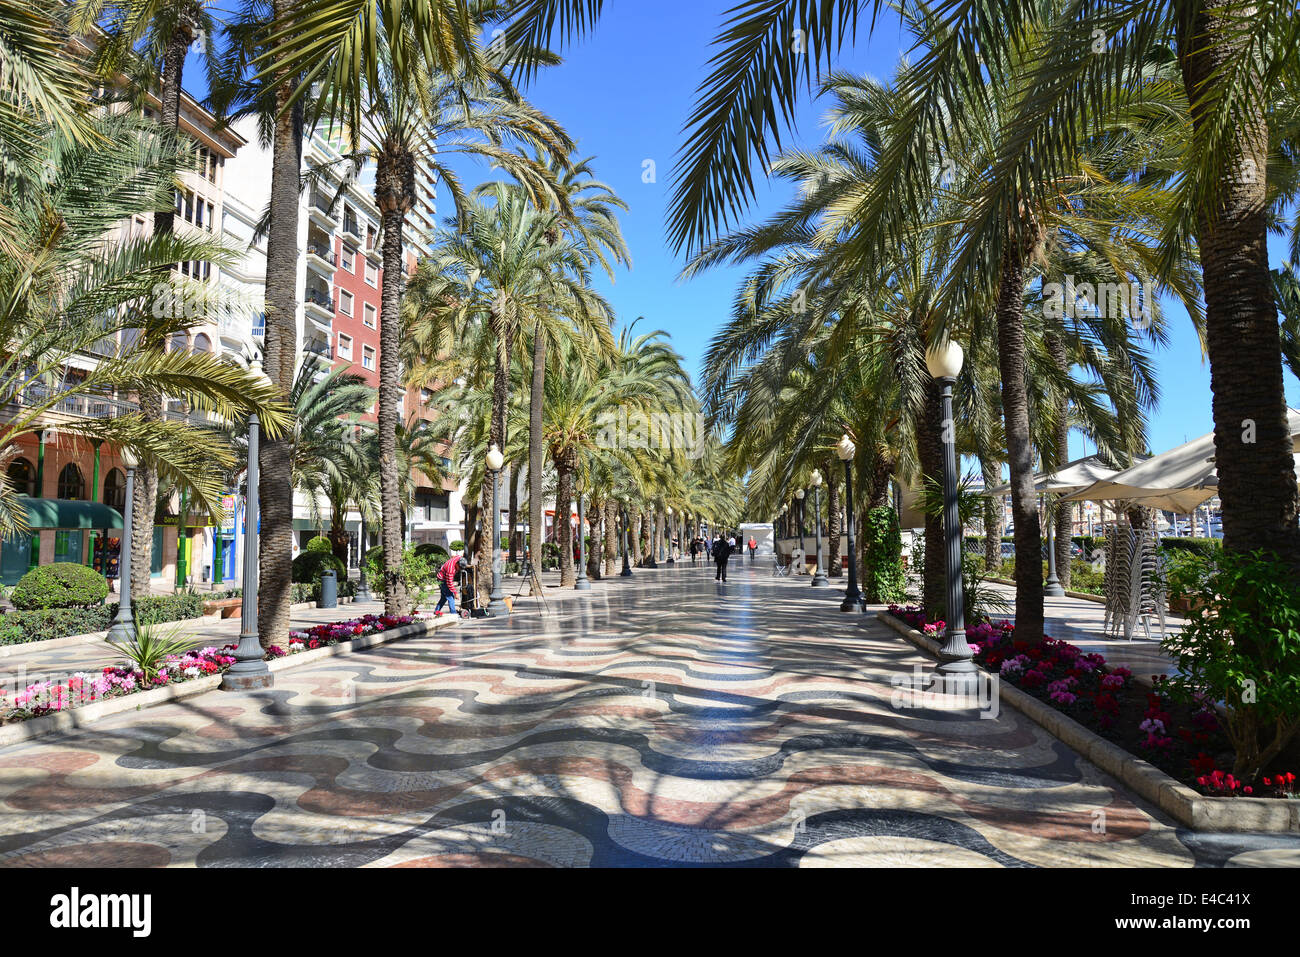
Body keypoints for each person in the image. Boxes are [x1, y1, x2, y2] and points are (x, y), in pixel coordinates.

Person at [434, 551, 462, 617]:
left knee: (444, 598)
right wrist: (455, 593)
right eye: (460, 568)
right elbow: (450, 584)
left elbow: (459, 556)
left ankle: (436, 611)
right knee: (450, 596)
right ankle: (453, 614)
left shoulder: (458, 558)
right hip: (442, 580)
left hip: (442, 578)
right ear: (457, 564)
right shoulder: (450, 570)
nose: (460, 569)